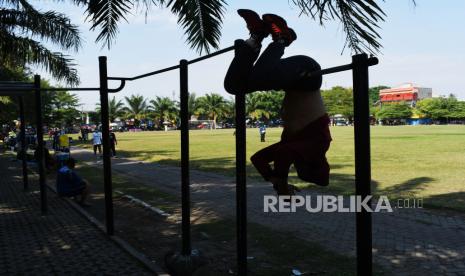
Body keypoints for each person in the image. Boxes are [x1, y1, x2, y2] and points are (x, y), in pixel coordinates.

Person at [224, 10, 332, 196]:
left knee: (234, 85)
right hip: (307, 74)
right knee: (260, 76)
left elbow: (257, 158)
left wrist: (272, 178)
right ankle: (283, 38)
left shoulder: (292, 146)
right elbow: (284, 157)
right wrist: (282, 184)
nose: (296, 169)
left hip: (292, 81)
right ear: (310, 163)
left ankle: (257, 35)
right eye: (300, 170)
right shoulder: (318, 145)